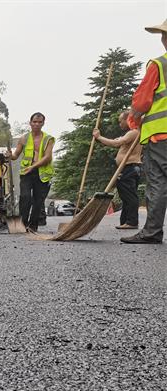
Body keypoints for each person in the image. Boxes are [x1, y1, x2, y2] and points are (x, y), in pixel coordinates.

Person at [121, 19, 167, 244]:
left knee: (158, 184)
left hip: (162, 136)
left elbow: (141, 102)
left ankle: (151, 232)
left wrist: (134, 119)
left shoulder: (159, 64)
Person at [93, 110, 142, 230]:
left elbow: (117, 143)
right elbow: (118, 141)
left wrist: (99, 137)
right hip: (129, 168)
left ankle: (132, 222)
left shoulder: (134, 132)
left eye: (121, 121)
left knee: (129, 195)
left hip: (129, 168)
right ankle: (125, 221)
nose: (120, 124)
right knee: (125, 195)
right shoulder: (132, 133)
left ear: (128, 120)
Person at [8, 113, 55, 233]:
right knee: (25, 197)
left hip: (42, 174)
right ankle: (22, 224)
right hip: (26, 173)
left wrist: (33, 167)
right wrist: (9, 155)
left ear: (43, 123)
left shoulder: (48, 139)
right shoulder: (23, 138)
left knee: (38, 201)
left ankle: (33, 226)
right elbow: (15, 155)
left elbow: (48, 157)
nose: (37, 124)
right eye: (34, 122)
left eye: (39, 122)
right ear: (30, 123)